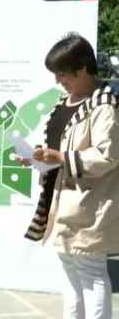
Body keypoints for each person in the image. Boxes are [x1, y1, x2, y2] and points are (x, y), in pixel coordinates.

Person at [23, 33, 119, 319]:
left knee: (91, 273)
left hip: (90, 205)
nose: (58, 80)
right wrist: (37, 156)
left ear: (83, 69)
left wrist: (61, 158)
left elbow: (107, 155)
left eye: (62, 73)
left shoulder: (104, 105)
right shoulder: (65, 103)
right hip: (61, 202)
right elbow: (57, 147)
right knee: (70, 275)